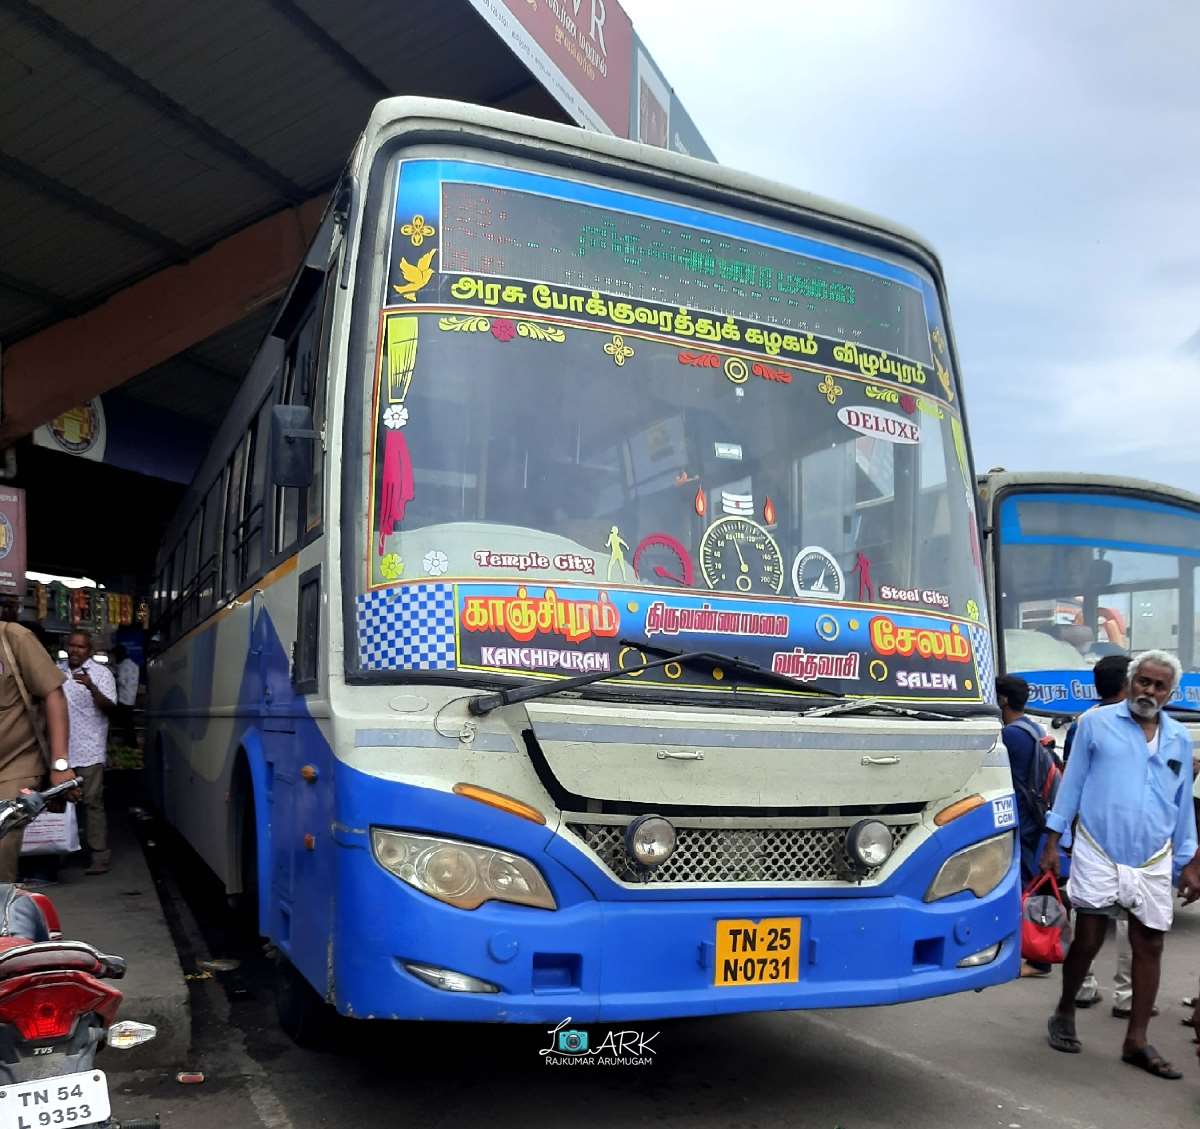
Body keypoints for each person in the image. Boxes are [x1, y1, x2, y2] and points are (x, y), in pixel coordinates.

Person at [1041, 650, 1200, 1080]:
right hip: (1098, 847)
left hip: (1152, 856)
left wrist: (1190, 863)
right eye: (1143, 682)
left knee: (1150, 944)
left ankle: (1137, 1040)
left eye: (1158, 685)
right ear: (1131, 683)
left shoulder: (1178, 739)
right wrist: (1054, 841)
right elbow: (1071, 784)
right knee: (1090, 937)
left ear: (1170, 693)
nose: (1148, 691)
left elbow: (1182, 804)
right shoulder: (1095, 723)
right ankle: (1064, 1010)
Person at [1065, 655, 1139, 1013]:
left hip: (1090, 829)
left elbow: (1070, 779)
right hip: (1133, 831)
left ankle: (1084, 986)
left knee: (1087, 907)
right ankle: (1127, 995)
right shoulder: (1140, 723)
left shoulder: (1083, 722)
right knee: (1132, 912)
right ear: (1128, 683)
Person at [996, 674, 1060, 977]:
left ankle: (1037, 957)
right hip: (1038, 819)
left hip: (1022, 821)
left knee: (1024, 887)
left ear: (1003, 700)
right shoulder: (1033, 727)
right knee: (1035, 884)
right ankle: (1038, 953)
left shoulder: (1010, 735)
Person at [0, 622, 73, 882]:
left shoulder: (14, 638)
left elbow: (53, 694)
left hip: (14, 764)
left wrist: (60, 764)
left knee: (2, 841)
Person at [59, 632, 116, 876]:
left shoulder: (102, 674)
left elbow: (110, 707)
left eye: (80, 646)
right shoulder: (55, 671)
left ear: (89, 650)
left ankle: (99, 855)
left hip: (90, 749)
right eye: (72, 645)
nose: (75, 650)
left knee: (92, 803)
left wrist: (92, 688)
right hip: (61, 749)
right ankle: (61, 852)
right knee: (60, 803)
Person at [111, 645, 139, 748]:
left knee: (126, 723)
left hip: (123, 697)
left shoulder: (123, 665)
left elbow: (121, 681)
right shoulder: (134, 665)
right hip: (131, 696)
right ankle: (131, 743)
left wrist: (114, 674)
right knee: (128, 723)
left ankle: (130, 744)